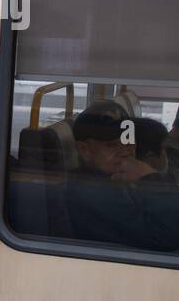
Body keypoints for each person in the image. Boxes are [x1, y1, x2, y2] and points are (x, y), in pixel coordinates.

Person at [64, 102, 179, 251]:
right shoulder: (91, 191)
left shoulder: (119, 180)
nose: (125, 152)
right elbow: (167, 238)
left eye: (128, 141)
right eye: (111, 145)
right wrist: (150, 179)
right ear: (85, 150)